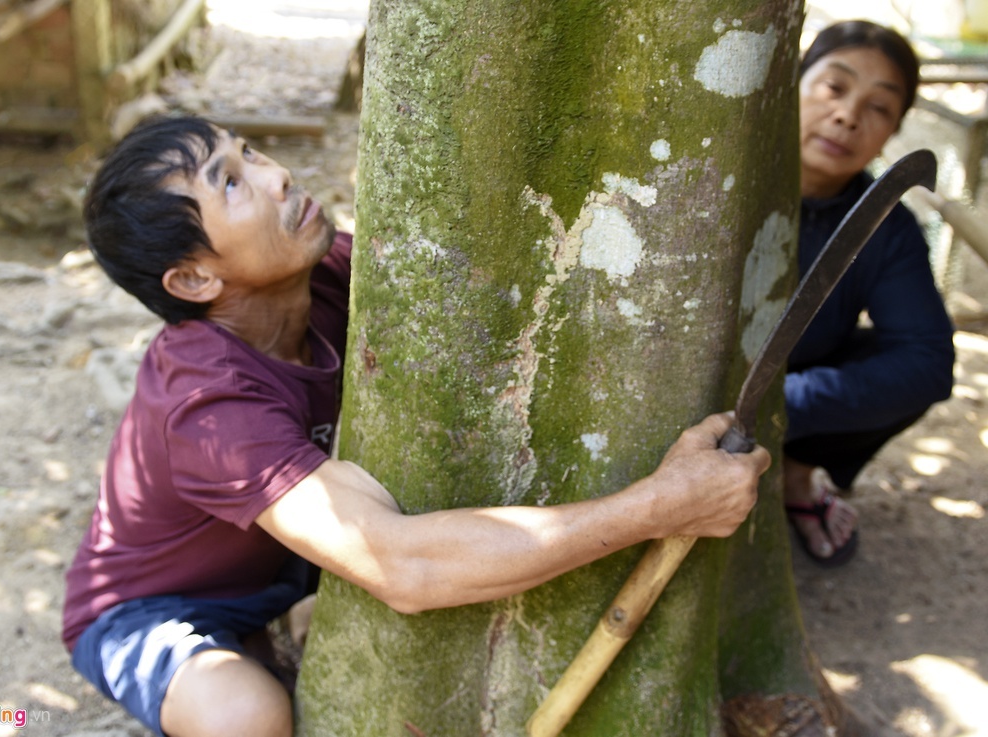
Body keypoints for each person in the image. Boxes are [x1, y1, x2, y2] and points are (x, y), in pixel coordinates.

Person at [62, 115, 771, 737]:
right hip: (155, 605)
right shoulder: (206, 404)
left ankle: (272, 633)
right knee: (245, 717)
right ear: (192, 280)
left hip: (284, 569)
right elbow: (403, 565)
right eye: (232, 183)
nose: (277, 175)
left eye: (251, 152)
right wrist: (659, 505)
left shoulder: (332, 274)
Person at [784, 20, 955, 567]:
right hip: (689, 388)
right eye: (834, 87)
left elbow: (927, 361)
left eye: (879, 108)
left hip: (790, 389)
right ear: (791, 85)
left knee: (898, 367)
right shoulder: (707, 180)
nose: (848, 115)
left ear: (892, 132)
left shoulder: (887, 227)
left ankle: (792, 475)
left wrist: (780, 403)